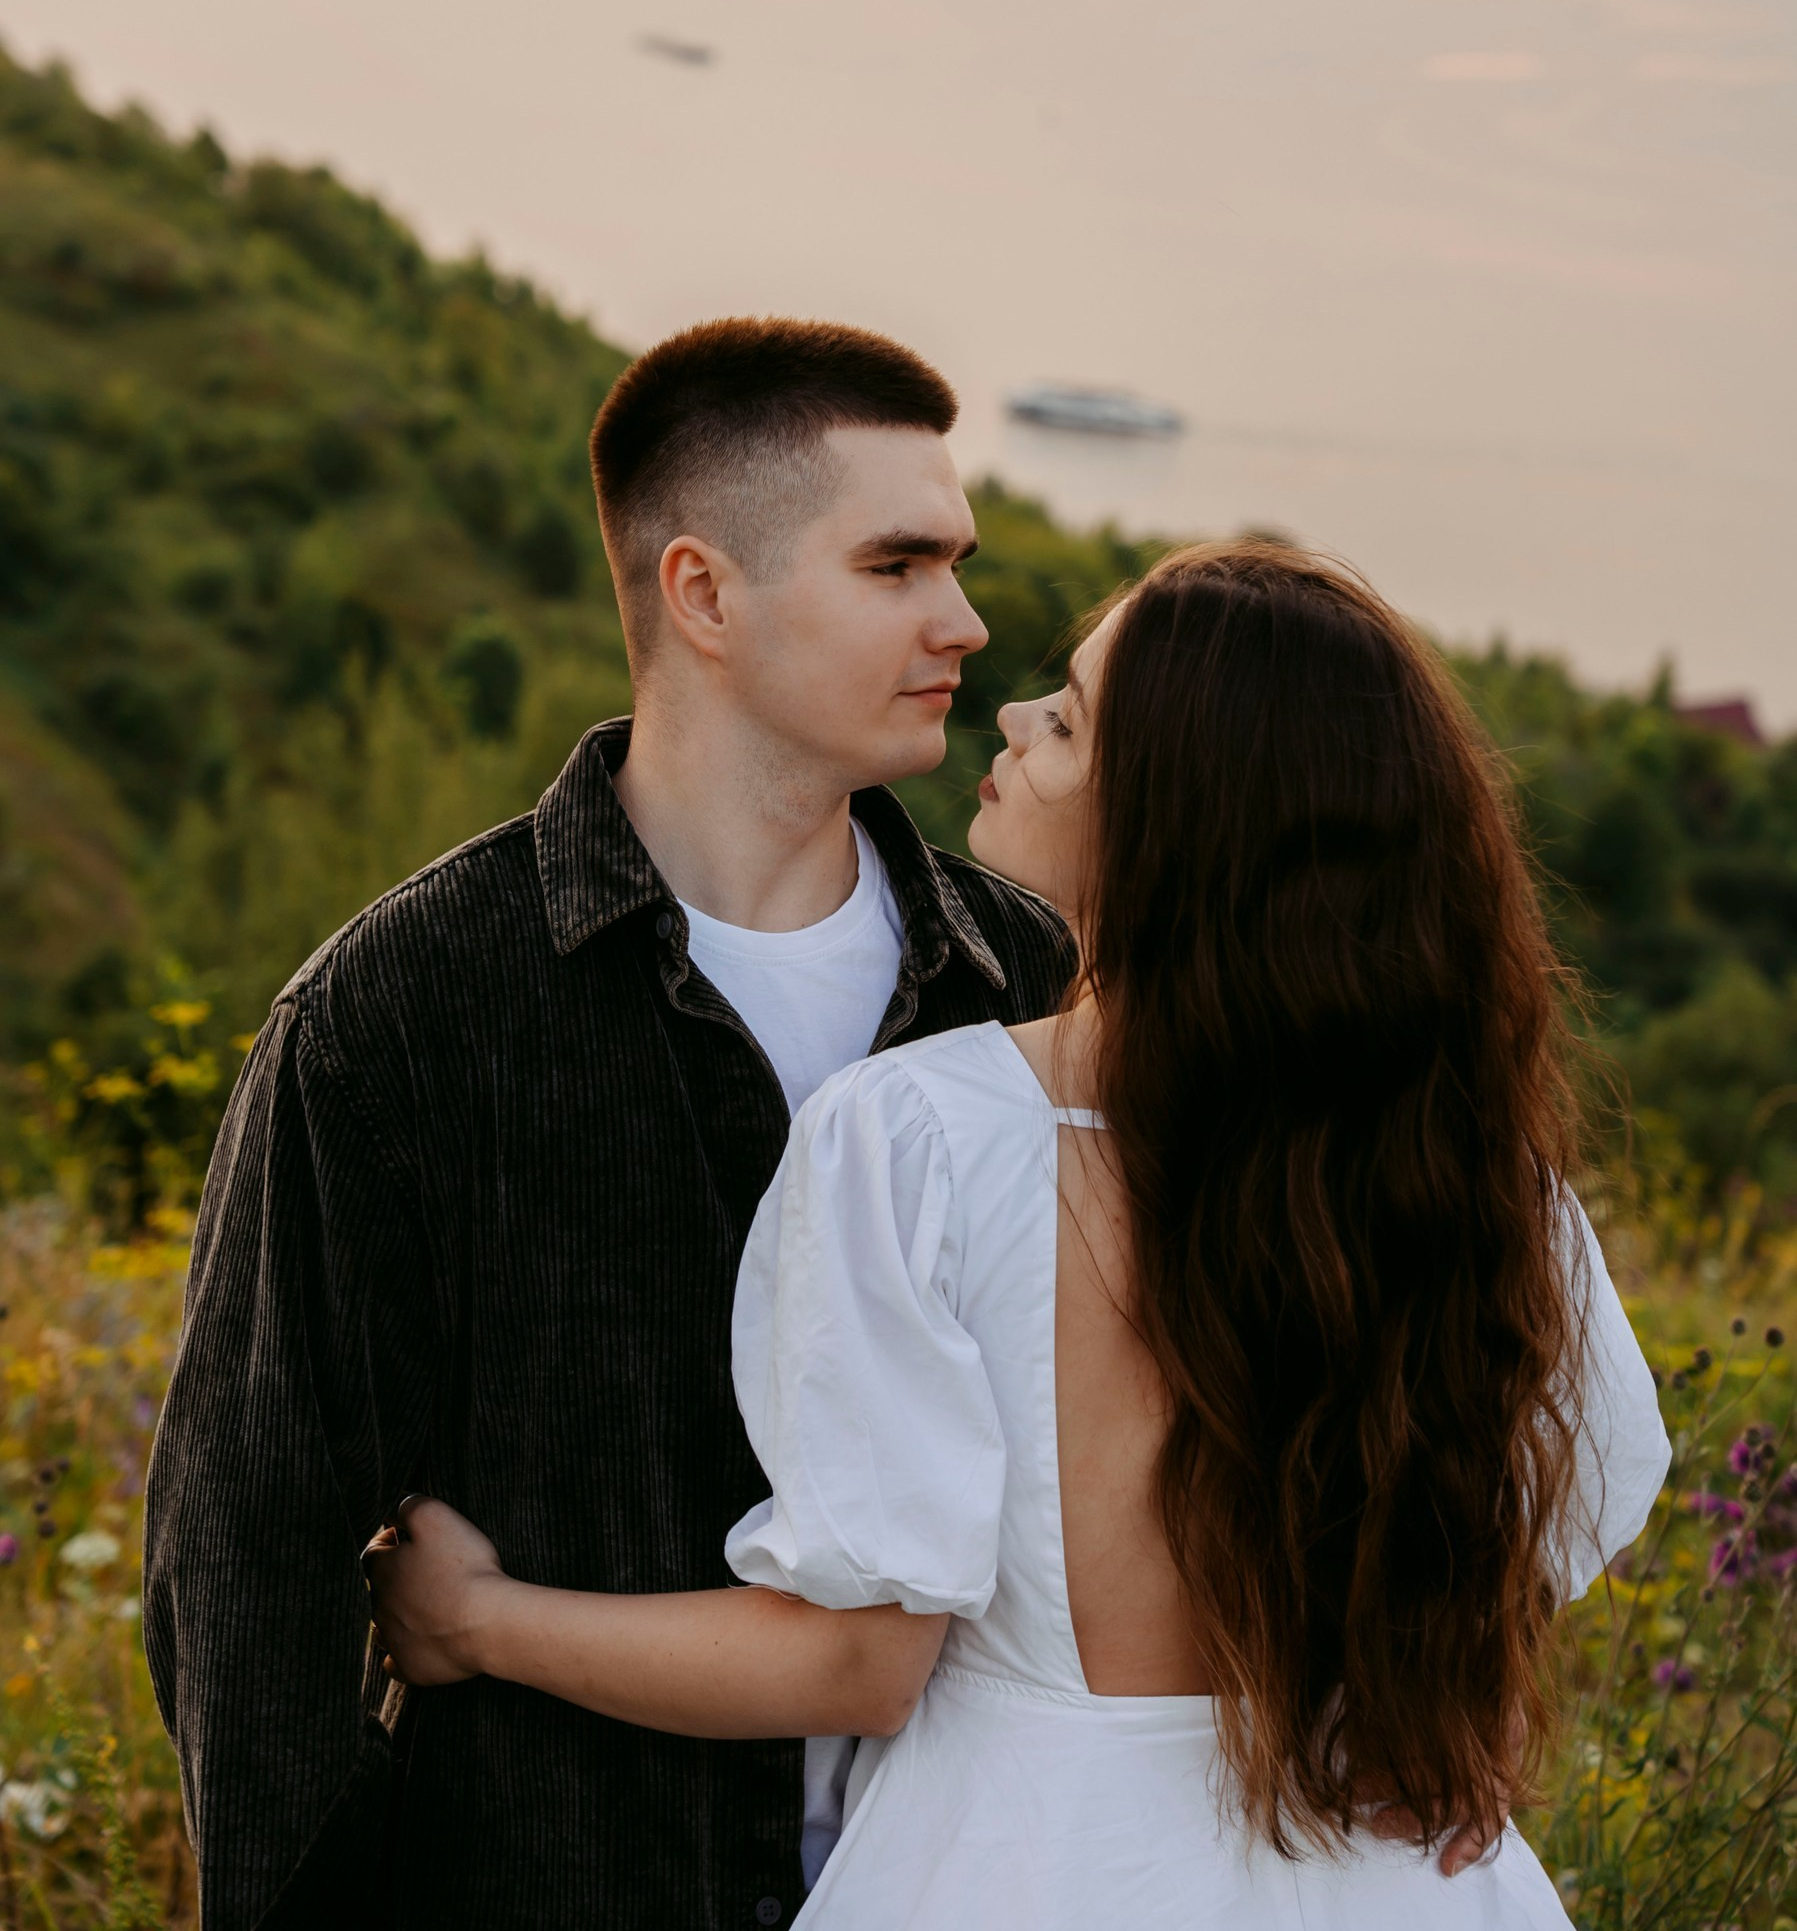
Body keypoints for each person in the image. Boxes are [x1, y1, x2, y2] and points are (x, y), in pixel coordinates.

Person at [367, 541, 1671, 1928]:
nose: (1013, 715)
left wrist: (478, 1620)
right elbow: (1559, 1520)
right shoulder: (1471, 1186)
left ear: (1174, 822)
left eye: (1071, 720)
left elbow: (859, 1667)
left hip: (1027, 1864)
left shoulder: (921, 1140)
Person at [142, 318, 1074, 1931]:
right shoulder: (404, 1011)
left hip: (964, 1888)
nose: (964, 622)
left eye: (956, 563)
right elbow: (247, 1553)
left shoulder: (1031, 988)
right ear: (701, 593)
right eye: (897, 566)